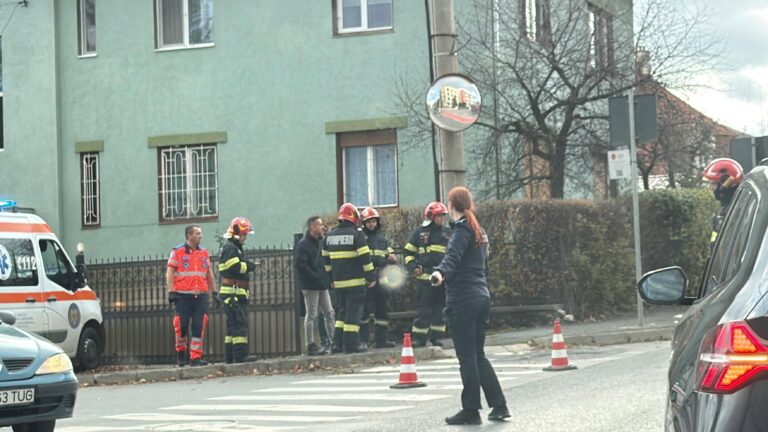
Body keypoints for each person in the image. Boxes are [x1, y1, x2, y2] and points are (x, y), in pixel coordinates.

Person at [430, 187, 509, 425]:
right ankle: (500, 405)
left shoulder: (462, 230)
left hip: (463, 299)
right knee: (478, 355)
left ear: (451, 205)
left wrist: (439, 273)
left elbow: (452, 256)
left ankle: (471, 410)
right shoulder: (479, 230)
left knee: (467, 357)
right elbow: (484, 267)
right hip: (480, 296)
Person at [321, 203, 376, 354]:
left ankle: (337, 345)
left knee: (341, 315)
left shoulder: (329, 237)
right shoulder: (357, 235)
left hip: (338, 284)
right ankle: (352, 345)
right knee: (353, 314)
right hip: (356, 283)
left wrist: (330, 279)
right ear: (354, 218)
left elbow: (325, 262)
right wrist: (371, 277)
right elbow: (366, 259)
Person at [404, 202, 452, 347]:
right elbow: (408, 252)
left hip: (441, 279)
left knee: (440, 310)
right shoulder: (419, 233)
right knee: (424, 311)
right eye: (439, 216)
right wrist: (412, 267)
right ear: (431, 216)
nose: (442, 219)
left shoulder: (448, 233)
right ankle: (419, 338)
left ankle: (436, 338)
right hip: (424, 280)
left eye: (443, 216)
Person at [166, 225, 215, 367]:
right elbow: (169, 272)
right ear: (189, 235)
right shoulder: (178, 252)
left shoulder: (204, 253)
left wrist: (214, 291)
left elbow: (209, 273)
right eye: (198, 233)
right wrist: (171, 290)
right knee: (181, 326)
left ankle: (195, 357)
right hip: (183, 296)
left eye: (200, 233)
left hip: (200, 296)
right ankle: (181, 353)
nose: (201, 236)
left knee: (199, 325)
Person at [218, 217, 260, 363]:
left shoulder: (232, 247)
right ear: (236, 234)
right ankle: (241, 355)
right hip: (233, 294)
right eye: (244, 235)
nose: (245, 238)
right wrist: (250, 266)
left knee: (232, 328)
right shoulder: (231, 248)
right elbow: (234, 267)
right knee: (239, 325)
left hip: (234, 293)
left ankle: (230, 357)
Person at [295, 216, 335, 356]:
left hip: (321, 284)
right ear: (312, 227)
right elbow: (301, 266)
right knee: (311, 314)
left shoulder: (320, 243)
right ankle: (310, 344)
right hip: (311, 285)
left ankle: (332, 340)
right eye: (319, 225)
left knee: (329, 312)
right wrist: (316, 277)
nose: (322, 227)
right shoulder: (303, 245)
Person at [359, 207, 397, 349]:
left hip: (382, 280)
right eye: (369, 222)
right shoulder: (361, 238)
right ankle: (363, 341)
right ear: (364, 223)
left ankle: (381, 340)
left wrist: (392, 257)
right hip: (367, 280)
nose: (372, 224)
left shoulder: (382, 240)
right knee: (364, 311)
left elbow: (390, 254)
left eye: (374, 221)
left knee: (383, 310)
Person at [702, 158, 744, 247]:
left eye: (713, 184)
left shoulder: (732, 210)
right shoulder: (728, 205)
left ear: (725, 184)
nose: (710, 188)